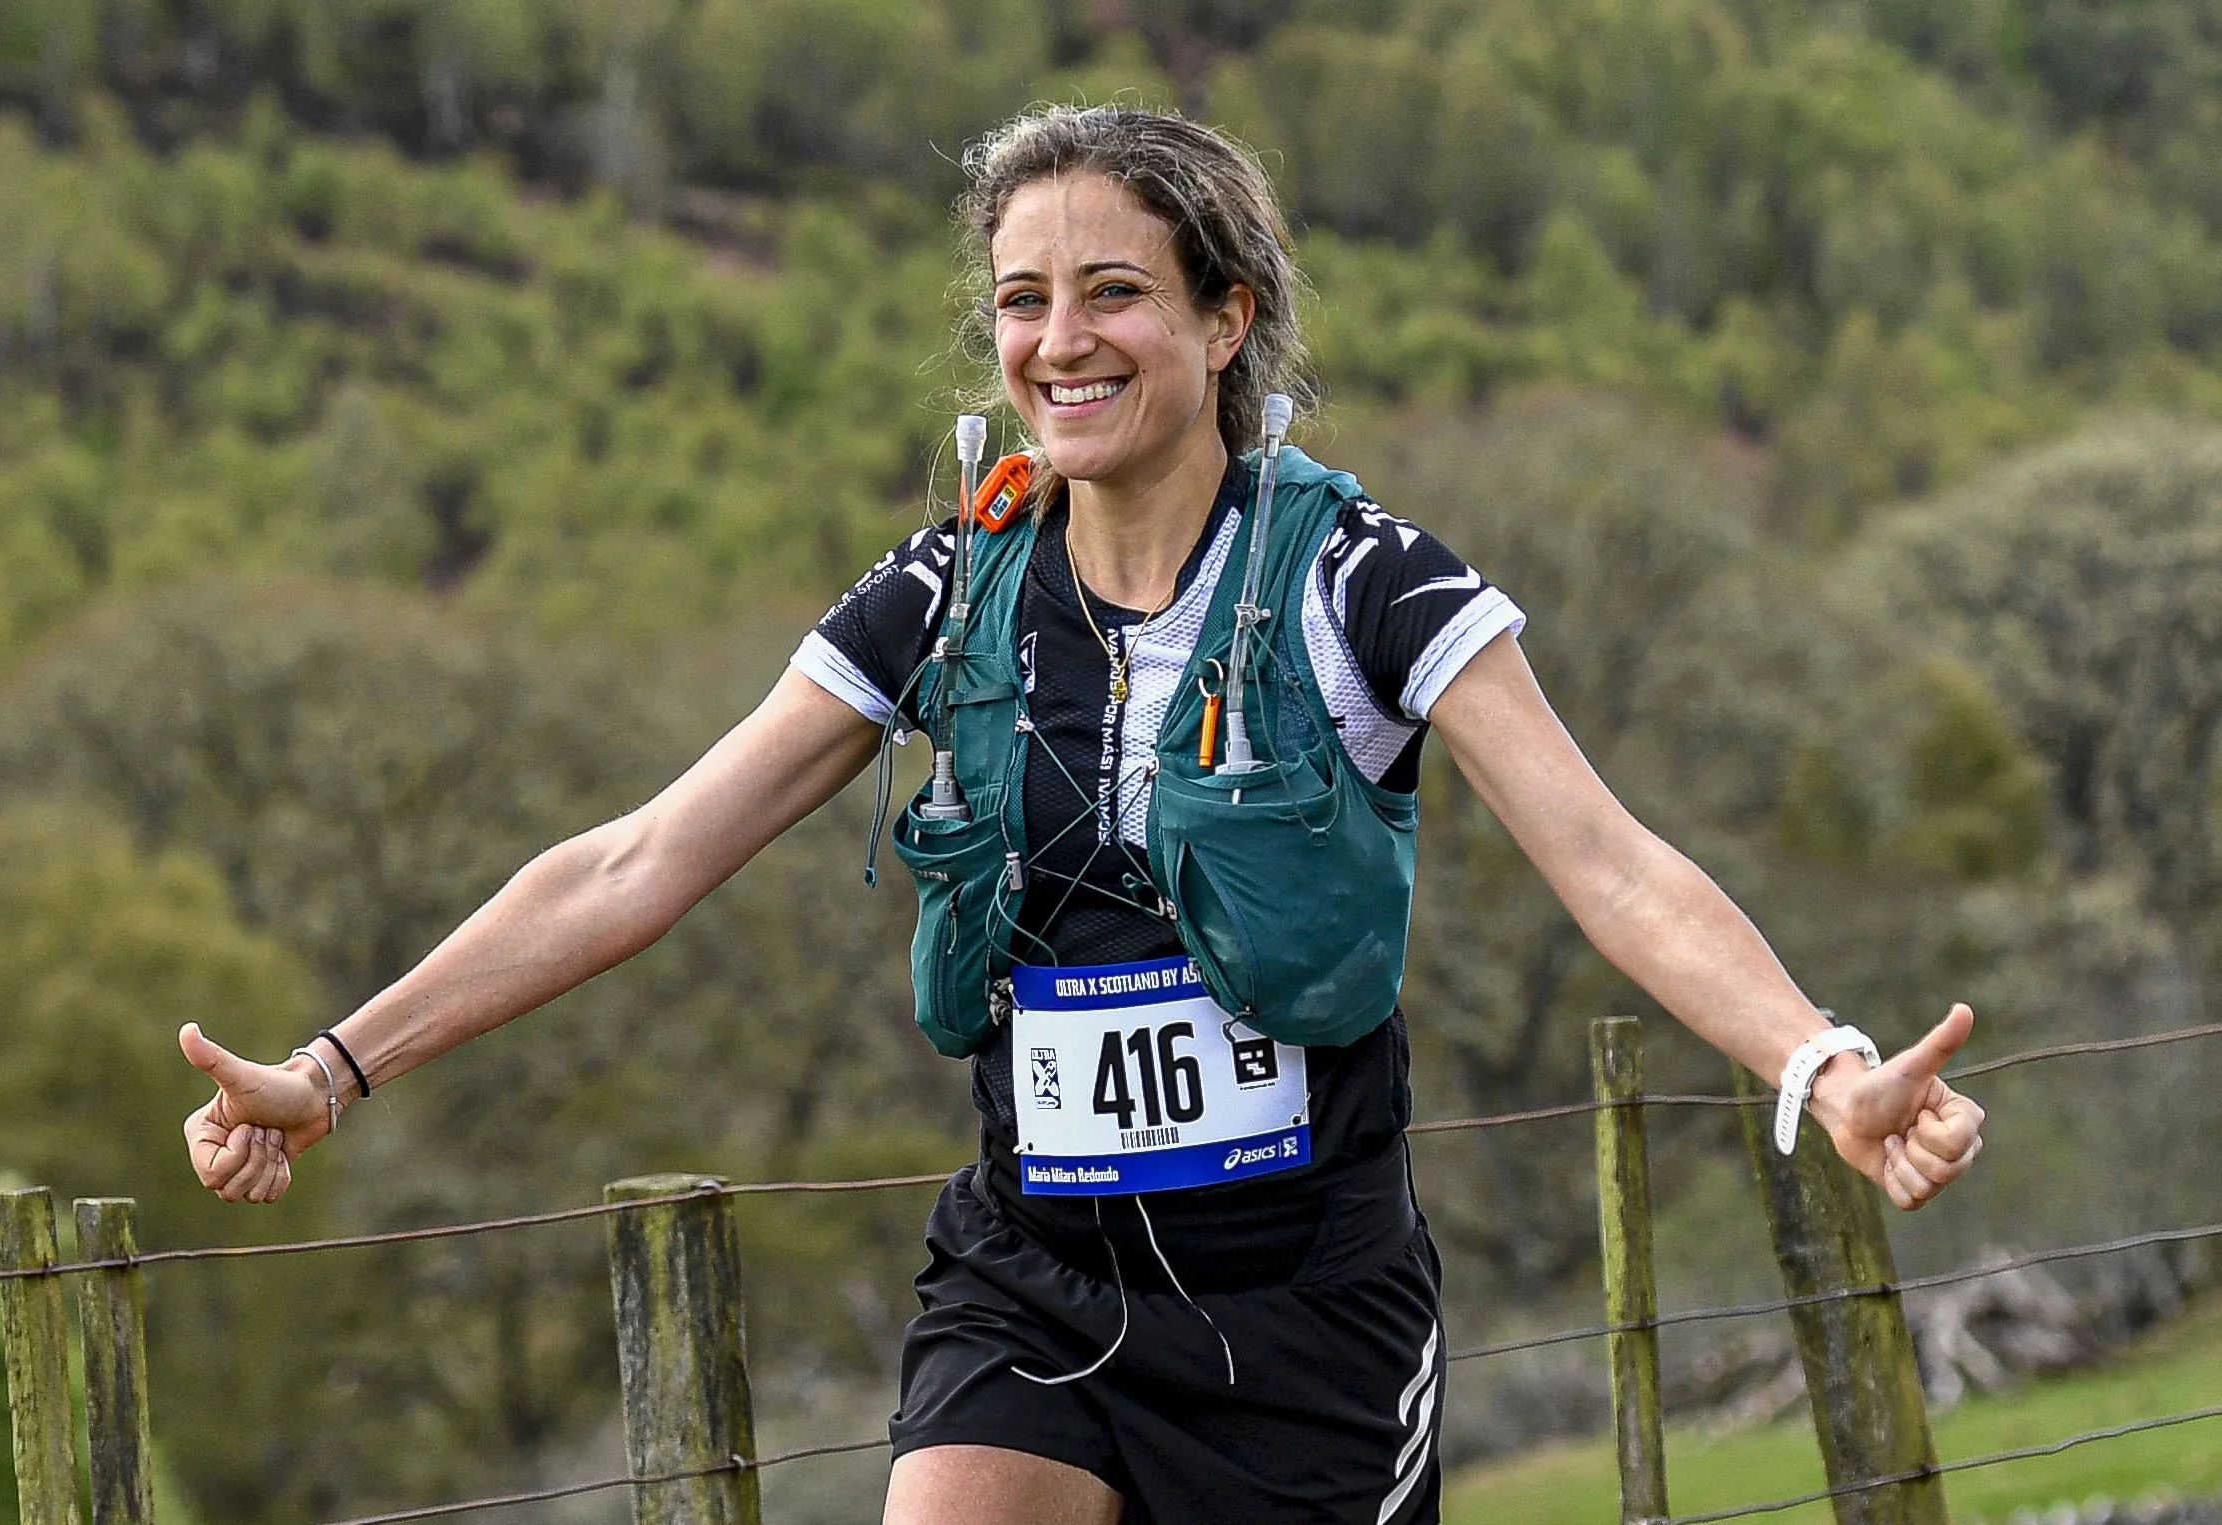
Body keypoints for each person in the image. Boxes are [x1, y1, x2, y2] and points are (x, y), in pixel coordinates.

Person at [181, 104, 1986, 1525]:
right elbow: (637, 858)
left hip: (1305, 1322)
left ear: (1223, 318)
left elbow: (1612, 864)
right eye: (1021, 302)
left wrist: (1818, 1065)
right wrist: (336, 1069)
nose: (1060, 342)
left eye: (1113, 292)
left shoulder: (1363, 584)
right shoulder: (944, 594)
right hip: (1031, 1286)